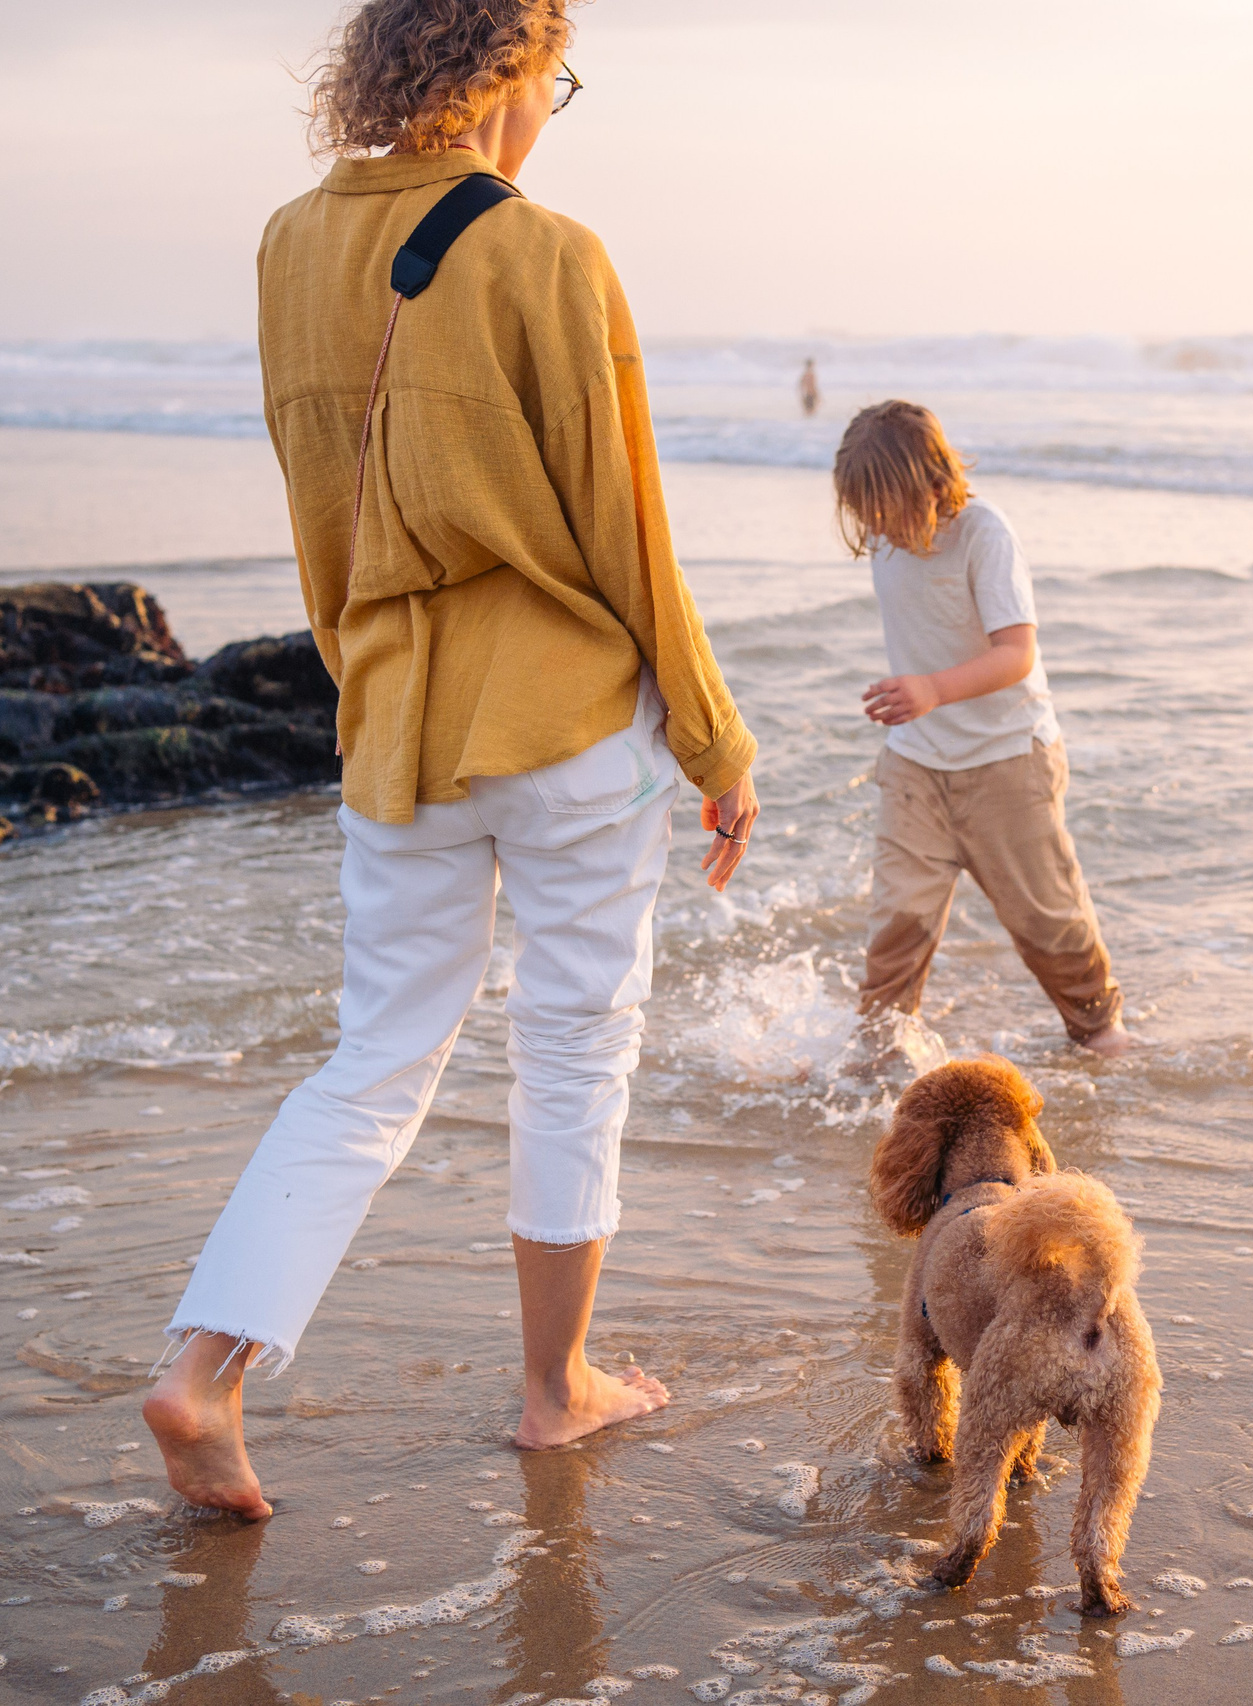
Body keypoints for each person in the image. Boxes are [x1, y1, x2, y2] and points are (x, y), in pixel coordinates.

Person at [144, 0, 760, 1517]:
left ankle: (201, 1374)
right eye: (558, 76)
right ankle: (559, 1393)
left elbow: (318, 516)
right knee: (573, 1046)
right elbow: (631, 535)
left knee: (373, 1060)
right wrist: (714, 736)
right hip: (559, 723)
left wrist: (365, 680)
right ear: (506, 67)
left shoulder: (291, 247)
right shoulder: (548, 252)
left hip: (396, 722)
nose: (555, 103)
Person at [835, 401, 1129, 1057]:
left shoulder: (984, 534)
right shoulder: (886, 539)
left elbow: (1016, 652)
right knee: (897, 923)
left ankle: (1101, 1033)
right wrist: (920, 702)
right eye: (863, 509)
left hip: (1006, 762)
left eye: (884, 506)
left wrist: (933, 688)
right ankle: (876, 1055)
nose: (874, 525)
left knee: (1047, 920)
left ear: (932, 482)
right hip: (915, 763)